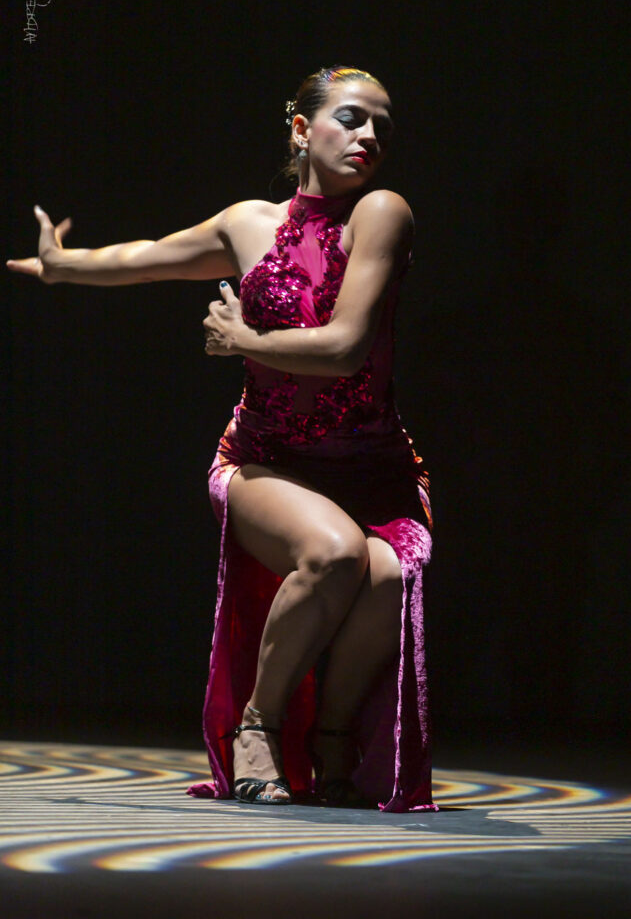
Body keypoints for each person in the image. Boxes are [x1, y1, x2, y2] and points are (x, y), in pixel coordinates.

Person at [7, 65, 435, 812]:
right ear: (301, 129)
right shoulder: (247, 224)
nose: (369, 136)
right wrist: (61, 265)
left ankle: (332, 741)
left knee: (387, 578)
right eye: (351, 118)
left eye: (382, 127)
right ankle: (257, 729)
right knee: (333, 553)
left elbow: (345, 348)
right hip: (265, 460)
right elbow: (146, 258)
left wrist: (245, 340)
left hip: (374, 469)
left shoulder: (381, 212)